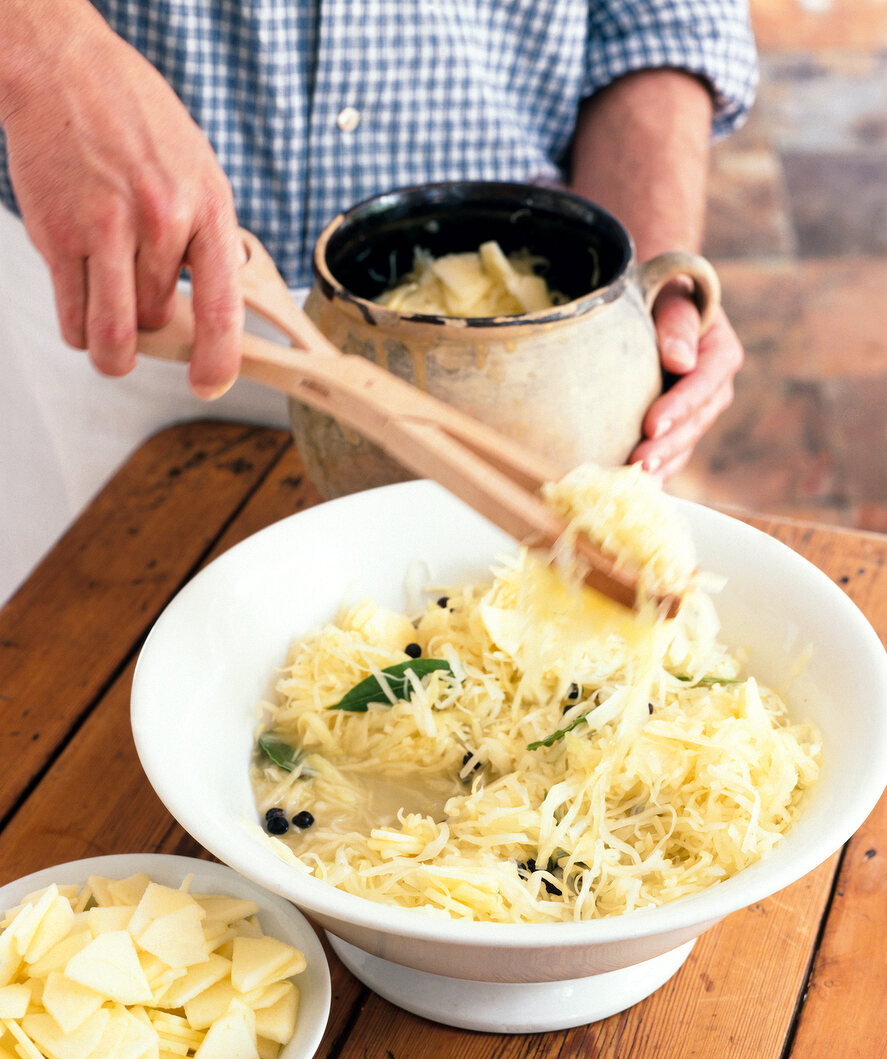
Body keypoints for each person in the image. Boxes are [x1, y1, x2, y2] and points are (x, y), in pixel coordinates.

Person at [0, 0, 757, 605]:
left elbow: (662, 16)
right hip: (122, 275)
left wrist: (632, 306)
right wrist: (40, 46)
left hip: (536, 357)